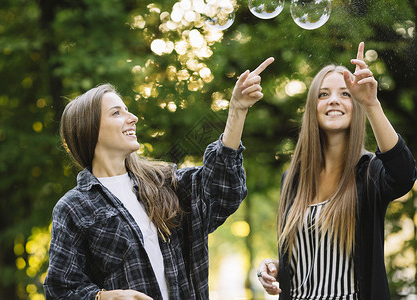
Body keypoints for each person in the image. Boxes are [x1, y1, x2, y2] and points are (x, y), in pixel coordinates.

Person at [43, 57, 275, 300]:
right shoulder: (73, 208)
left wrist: (237, 110)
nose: (133, 118)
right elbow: (61, 290)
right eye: (116, 113)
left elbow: (221, 188)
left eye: (127, 110)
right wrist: (104, 297)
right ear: (89, 128)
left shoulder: (163, 182)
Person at [257, 42, 416, 300]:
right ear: (313, 107)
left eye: (345, 94)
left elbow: (404, 175)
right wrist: (275, 268)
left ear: (356, 105)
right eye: (323, 94)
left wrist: (372, 104)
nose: (333, 100)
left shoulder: (370, 171)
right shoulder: (293, 179)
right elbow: (311, 253)